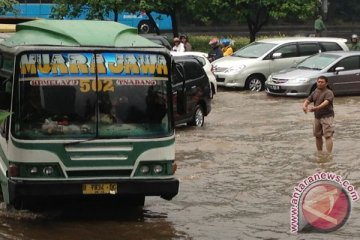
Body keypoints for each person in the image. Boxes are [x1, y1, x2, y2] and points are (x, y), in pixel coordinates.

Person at [302, 76, 334, 154]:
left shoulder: (329, 92)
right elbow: (308, 100)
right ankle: (320, 152)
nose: (319, 83)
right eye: (318, 82)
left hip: (327, 116)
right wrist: (304, 106)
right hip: (317, 116)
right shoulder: (315, 91)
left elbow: (326, 102)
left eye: (322, 82)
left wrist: (316, 108)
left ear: (326, 83)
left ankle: (329, 154)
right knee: (317, 135)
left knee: (328, 136)